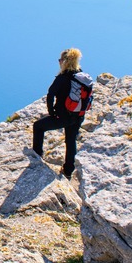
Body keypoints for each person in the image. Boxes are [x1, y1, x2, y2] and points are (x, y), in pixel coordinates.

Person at [32, 47, 88, 180]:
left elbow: (50, 95)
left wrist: (52, 113)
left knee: (38, 126)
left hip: (63, 117)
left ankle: (36, 155)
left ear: (64, 62)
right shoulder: (80, 75)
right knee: (70, 140)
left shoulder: (62, 78)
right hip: (78, 116)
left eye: (60, 60)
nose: (58, 62)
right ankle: (68, 170)